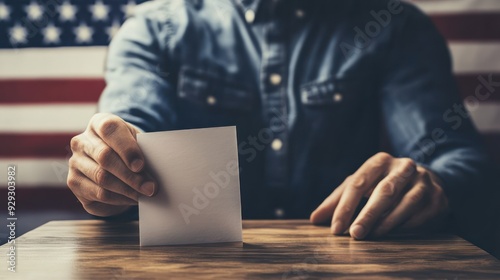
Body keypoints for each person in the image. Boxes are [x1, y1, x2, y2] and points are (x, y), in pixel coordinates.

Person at [67, 0, 496, 240]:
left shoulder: (393, 26)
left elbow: (457, 157)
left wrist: (432, 181)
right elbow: (126, 131)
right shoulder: (153, 29)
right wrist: (109, 165)